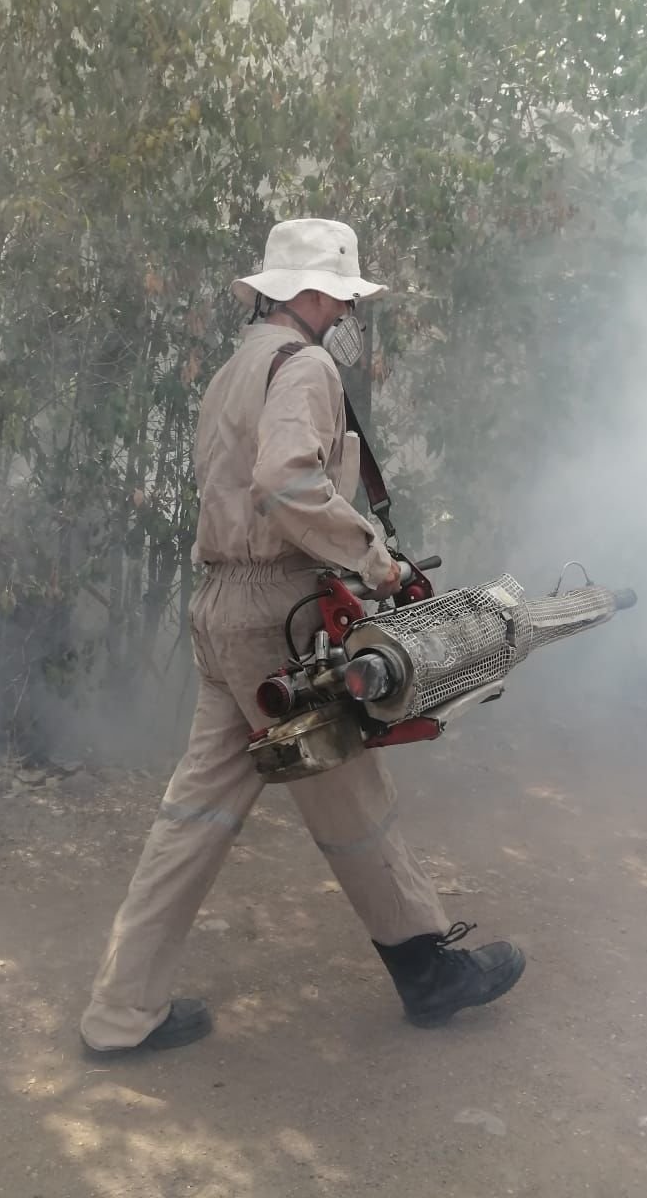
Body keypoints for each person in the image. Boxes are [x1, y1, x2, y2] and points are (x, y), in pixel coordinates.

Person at [80, 218, 525, 1054]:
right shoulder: (308, 365)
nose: (344, 315)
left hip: (221, 607)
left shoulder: (236, 370)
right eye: (342, 298)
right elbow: (285, 481)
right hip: (276, 619)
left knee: (192, 817)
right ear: (315, 295)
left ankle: (118, 1013)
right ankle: (429, 976)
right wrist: (373, 556)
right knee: (353, 796)